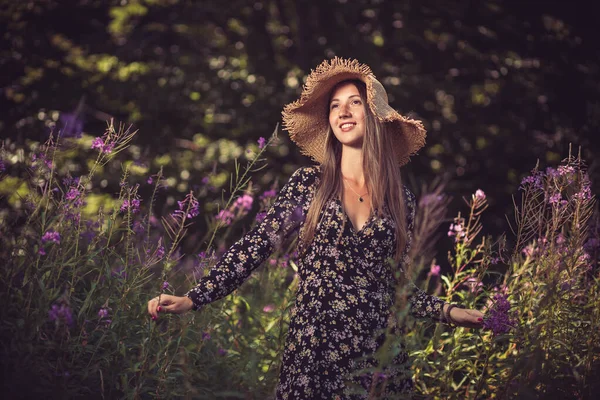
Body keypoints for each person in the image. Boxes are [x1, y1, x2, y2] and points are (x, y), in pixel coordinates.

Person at [147, 57, 484, 399]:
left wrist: (450, 311)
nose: (343, 111)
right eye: (335, 105)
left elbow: (395, 288)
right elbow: (256, 246)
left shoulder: (402, 200)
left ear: (377, 118)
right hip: (315, 350)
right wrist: (193, 297)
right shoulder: (309, 185)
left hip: (378, 355)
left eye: (355, 102)